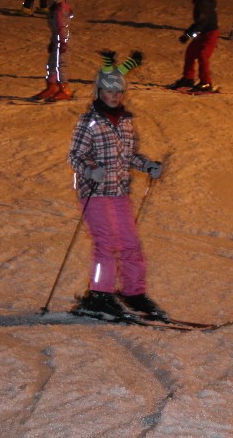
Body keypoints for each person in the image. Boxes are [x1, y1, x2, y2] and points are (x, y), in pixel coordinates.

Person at [67, 50, 166, 321]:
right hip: (95, 192)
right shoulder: (89, 122)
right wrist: (91, 169)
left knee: (130, 243)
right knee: (106, 243)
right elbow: (74, 156)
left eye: (119, 92)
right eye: (109, 91)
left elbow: (128, 155)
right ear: (98, 91)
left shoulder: (125, 122)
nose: (115, 96)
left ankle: (133, 292)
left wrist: (147, 165)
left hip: (119, 191)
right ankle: (99, 295)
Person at [170, 0, 220, 93]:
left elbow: (202, 22)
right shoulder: (199, 1)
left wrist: (188, 35)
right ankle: (188, 79)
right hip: (203, 33)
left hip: (210, 33)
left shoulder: (203, 3)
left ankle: (206, 82)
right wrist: (187, 34)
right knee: (191, 52)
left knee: (203, 55)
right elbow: (199, 23)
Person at [32, 0, 74, 102]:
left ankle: (64, 90)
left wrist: (63, 42)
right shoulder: (54, 9)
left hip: (63, 39)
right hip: (57, 39)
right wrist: (53, 41)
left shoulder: (60, 10)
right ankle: (52, 87)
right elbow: (55, 29)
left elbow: (62, 28)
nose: (47, 1)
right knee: (52, 63)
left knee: (61, 64)